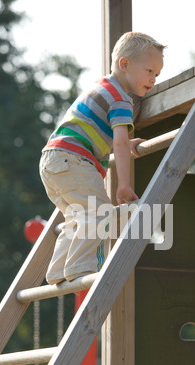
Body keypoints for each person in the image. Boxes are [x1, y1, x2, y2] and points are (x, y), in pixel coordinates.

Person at [39, 32, 165, 285]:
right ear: (125, 64)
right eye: (149, 70)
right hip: (73, 160)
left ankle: (57, 269)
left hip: (53, 160)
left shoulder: (101, 87)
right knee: (100, 213)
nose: (152, 79)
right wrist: (124, 185)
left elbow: (96, 132)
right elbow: (117, 141)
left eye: (157, 74)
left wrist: (126, 142)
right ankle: (80, 267)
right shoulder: (120, 99)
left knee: (77, 217)